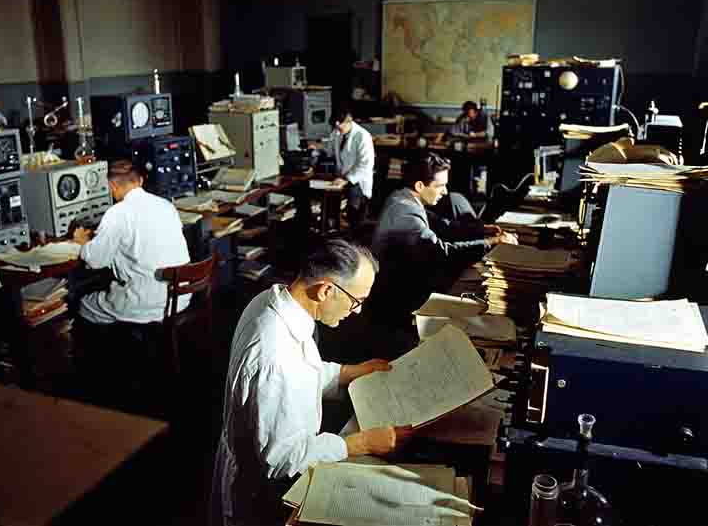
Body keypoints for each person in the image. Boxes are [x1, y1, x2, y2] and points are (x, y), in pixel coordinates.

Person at [211, 239, 413, 526]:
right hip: (265, 492)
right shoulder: (276, 353)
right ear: (326, 290)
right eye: (357, 301)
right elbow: (282, 459)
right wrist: (359, 443)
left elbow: (303, 372)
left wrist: (346, 373)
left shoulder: (275, 303)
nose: (356, 311)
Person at [71, 161, 191, 403]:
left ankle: (95, 386)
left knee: (81, 304)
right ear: (141, 181)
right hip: (179, 297)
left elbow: (95, 260)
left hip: (145, 304)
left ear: (112, 186)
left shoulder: (117, 213)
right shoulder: (165, 205)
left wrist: (82, 242)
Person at [368, 153, 516, 337]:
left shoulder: (404, 198)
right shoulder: (405, 212)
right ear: (420, 185)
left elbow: (444, 226)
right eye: (440, 186)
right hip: (396, 299)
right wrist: (490, 244)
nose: (445, 192)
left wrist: (482, 230)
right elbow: (442, 252)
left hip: (404, 282)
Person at [324, 107, 375, 231]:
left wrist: (347, 179)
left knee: (354, 213)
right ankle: (332, 229)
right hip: (342, 178)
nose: (337, 127)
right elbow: (329, 150)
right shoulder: (337, 132)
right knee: (328, 203)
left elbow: (366, 165)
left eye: (340, 124)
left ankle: (354, 236)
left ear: (349, 121)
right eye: (335, 124)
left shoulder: (362, 136)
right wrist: (317, 147)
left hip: (357, 181)